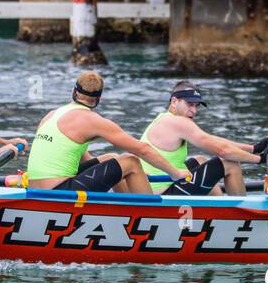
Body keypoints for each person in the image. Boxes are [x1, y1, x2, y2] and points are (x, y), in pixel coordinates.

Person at [24, 71, 193, 193]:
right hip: (59, 191)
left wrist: (127, 174)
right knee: (132, 161)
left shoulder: (51, 115)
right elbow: (142, 149)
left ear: (74, 92)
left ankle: (127, 201)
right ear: (99, 99)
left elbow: (77, 158)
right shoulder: (93, 120)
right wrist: (175, 173)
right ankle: (150, 215)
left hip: (34, 187)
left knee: (111, 158)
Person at [114, 81, 268, 196]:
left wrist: (254, 148)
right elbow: (222, 150)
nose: (194, 111)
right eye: (190, 104)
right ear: (174, 101)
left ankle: (218, 207)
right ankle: (244, 216)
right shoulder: (177, 122)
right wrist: (259, 159)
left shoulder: (165, 118)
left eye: (196, 106)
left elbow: (212, 139)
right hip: (162, 195)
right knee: (230, 164)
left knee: (200, 160)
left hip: (166, 184)